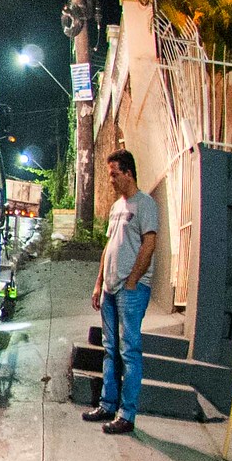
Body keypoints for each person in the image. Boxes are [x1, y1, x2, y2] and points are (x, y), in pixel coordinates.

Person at [86, 148, 161, 434]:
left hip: (131, 289)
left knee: (129, 352)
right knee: (110, 349)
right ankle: (107, 404)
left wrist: (132, 281)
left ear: (128, 172)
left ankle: (126, 415)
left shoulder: (146, 205)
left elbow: (149, 244)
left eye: (114, 175)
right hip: (110, 289)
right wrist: (98, 282)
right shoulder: (118, 207)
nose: (111, 180)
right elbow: (109, 247)